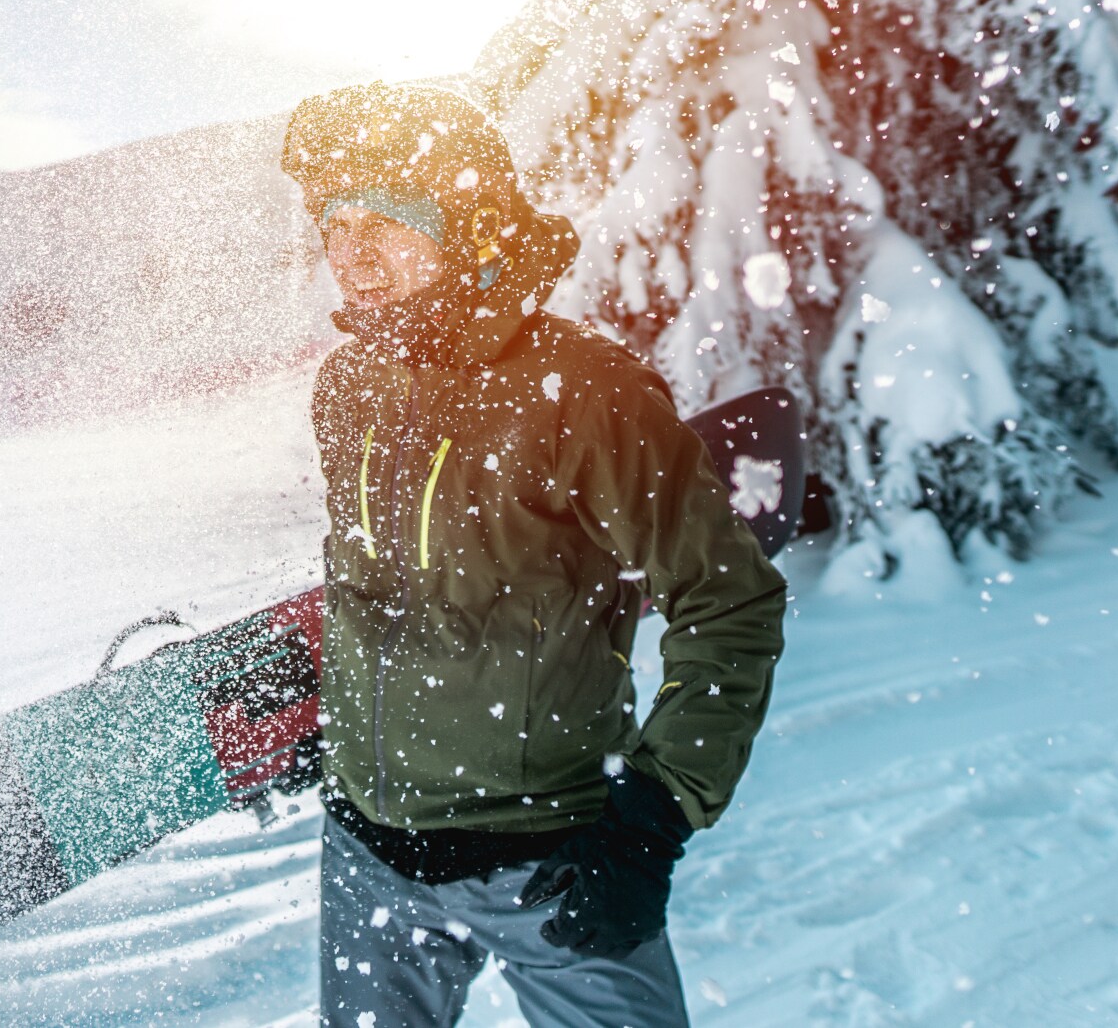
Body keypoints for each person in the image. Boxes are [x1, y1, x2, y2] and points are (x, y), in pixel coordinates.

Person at [282, 82, 788, 1028]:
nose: (350, 256)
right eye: (333, 223)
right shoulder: (347, 383)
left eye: (384, 222)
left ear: (462, 227)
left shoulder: (585, 393)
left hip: (550, 856)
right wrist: (348, 716)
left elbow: (731, 603)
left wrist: (656, 816)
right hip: (365, 854)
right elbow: (382, 576)